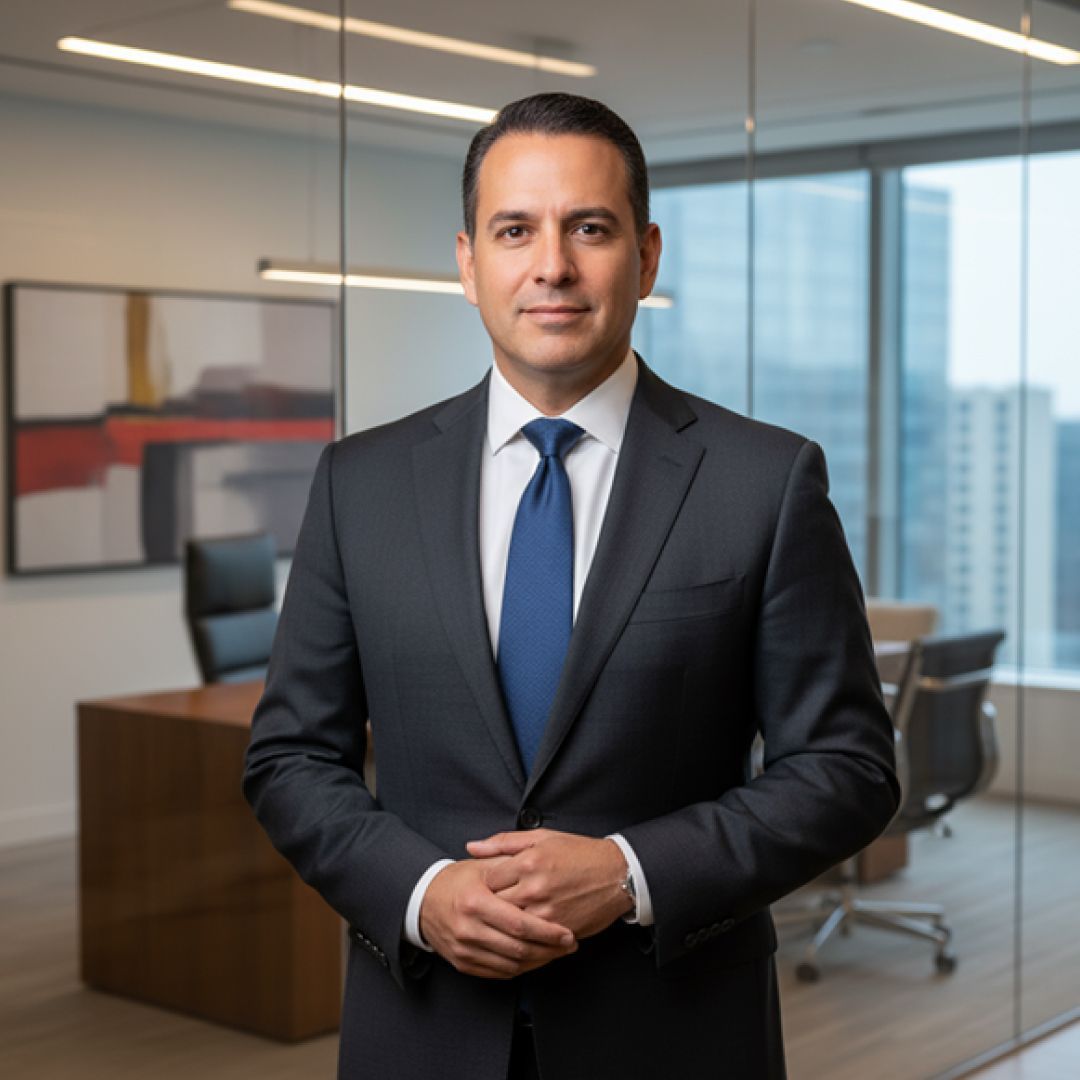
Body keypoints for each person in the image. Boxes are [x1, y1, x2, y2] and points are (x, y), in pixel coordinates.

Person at [243, 92, 899, 1080]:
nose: (551, 265)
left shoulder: (765, 482)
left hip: (675, 1031)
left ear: (645, 256)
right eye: (516, 230)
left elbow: (847, 768)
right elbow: (291, 757)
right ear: (470, 262)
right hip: (422, 1033)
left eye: (589, 228)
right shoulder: (359, 484)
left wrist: (632, 874)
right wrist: (420, 892)